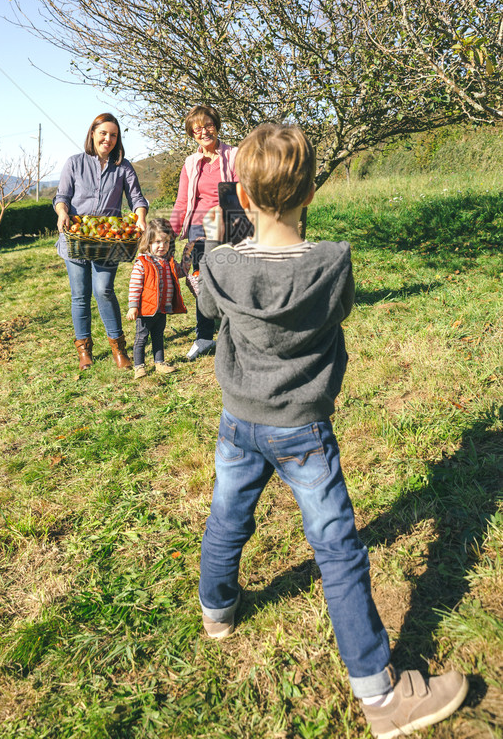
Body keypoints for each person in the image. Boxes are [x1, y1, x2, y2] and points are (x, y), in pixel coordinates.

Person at [196, 123, 469, 738]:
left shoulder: (219, 265)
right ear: (310, 191)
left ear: (241, 194)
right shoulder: (332, 263)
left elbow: (210, 313)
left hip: (238, 421)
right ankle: (381, 697)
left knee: (227, 516)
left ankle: (217, 611)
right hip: (304, 431)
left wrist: (219, 252)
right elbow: (338, 311)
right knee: (337, 550)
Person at [54, 113, 148, 371]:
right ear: (93, 134)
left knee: (104, 290)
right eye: (103, 133)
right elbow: (61, 196)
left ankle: (119, 348)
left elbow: (137, 199)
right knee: (80, 296)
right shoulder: (74, 163)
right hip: (75, 238)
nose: (108, 139)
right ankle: (84, 350)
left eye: (113, 135)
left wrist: (140, 219)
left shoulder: (123, 167)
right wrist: (63, 213)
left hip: (108, 240)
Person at [170, 104, 238, 361]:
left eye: (208, 125)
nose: (204, 131)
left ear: (217, 126)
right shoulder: (190, 163)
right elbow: (181, 203)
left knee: (230, 281)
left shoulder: (234, 156)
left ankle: (235, 334)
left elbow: (244, 194)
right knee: (201, 284)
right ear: (192, 134)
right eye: (197, 129)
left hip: (228, 226)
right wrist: (171, 234)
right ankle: (204, 338)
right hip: (198, 230)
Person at [126, 218, 188, 379]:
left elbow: (179, 273)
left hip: (162, 307)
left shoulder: (168, 261)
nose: (162, 246)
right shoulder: (142, 263)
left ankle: (159, 362)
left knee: (158, 336)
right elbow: (135, 285)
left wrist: (188, 258)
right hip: (146, 310)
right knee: (141, 337)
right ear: (149, 242)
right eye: (158, 242)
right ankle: (139, 366)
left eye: (166, 242)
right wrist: (133, 306)